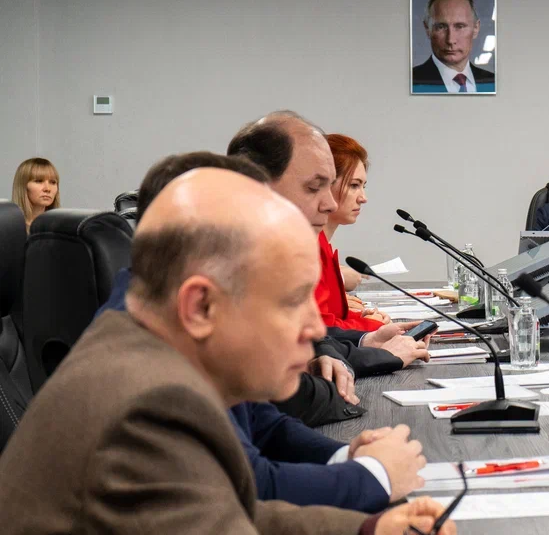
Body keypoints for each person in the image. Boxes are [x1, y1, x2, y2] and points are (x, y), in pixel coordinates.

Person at [0, 167, 471, 535]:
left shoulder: (141, 351)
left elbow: (216, 514)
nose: (315, 329)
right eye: (291, 301)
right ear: (200, 305)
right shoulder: (150, 406)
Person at [98, 151, 423, 513]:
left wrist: (348, 457)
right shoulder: (151, 374)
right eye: (287, 301)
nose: (315, 328)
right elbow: (250, 490)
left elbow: (260, 422)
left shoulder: (166, 313)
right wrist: (374, 476)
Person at [228, 112, 432, 422]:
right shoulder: (243, 270)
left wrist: (362, 342)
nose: (331, 204)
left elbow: (315, 339)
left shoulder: (284, 256)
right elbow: (288, 401)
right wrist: (377, 354)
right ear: (260, 189)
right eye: (314, 188)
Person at [319, 133, 389, 332]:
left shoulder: (323, 245)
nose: (363, 198)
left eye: (363, 186)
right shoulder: (309, 247)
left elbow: (332, 317)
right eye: (354, 185)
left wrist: (362, 318)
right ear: (323, 185)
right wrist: (371, 325)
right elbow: (321, 329)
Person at [411, 0, 495, 94]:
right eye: (441, 27)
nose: (450, 40)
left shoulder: (493, 82)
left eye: (460, 26)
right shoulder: (410, 81)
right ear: (428, 29)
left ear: (476, 28)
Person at [11, 156, 60, 231]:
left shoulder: (62, 229)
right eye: (39, 181)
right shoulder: (8, 228)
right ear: (23, 186)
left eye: (53, 182)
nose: (47, 189)